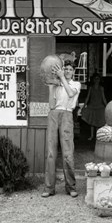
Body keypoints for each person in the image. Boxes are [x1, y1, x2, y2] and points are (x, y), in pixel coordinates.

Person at [42, 60, 81, 198]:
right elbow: (51, 105)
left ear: (74, 72)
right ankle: (49, 188)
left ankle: (71, 187)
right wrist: (52, 85)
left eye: (71, 69)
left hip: (67, 114)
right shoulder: (56, 84)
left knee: (67, 153)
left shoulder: (76, 84)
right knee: (51, 153)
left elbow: (71, 94)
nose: (68, 71)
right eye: (66, 69)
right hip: (54, 114)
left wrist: (62, 78)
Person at [81, 72, 107, 140]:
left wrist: (107, 106)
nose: (96, 80)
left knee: (98, 122)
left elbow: (103, 98)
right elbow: (88, 97)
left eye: (98, 79)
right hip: (92, 106)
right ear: (93, 80)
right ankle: (92, 136)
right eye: (95, 79)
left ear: (100, 80)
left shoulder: (101, 88)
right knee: (92, 122)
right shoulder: (91, 88)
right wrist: (84, 106)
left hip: (100, 106)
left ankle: (98, 136)